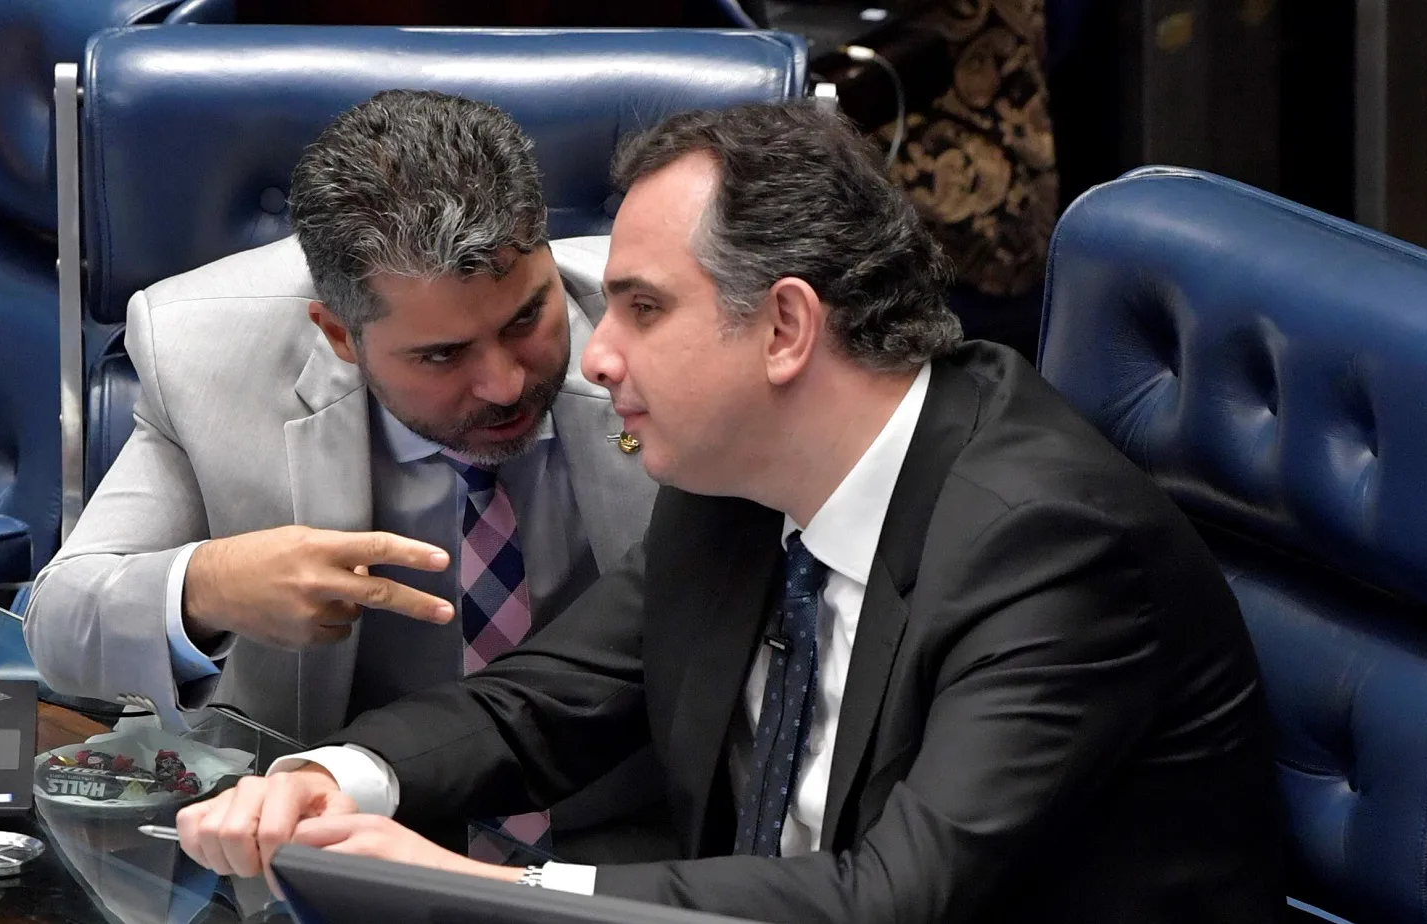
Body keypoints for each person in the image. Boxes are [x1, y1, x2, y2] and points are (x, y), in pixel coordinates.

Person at [175, 100, 1285, 923]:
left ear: (785, 329)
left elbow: (894, 900)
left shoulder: (1050, 545)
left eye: (643, 309)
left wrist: (497, 891)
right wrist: (329, 780)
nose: (595, 356)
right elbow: (538, 706)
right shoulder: (735, 481)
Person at [23, 90, 671, 863]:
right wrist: (207, 587)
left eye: (526, 319)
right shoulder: (204, 354)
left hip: (635, 835)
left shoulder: (666, 323)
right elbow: (60, 625)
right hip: (320, 838)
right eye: (442, 355)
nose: (504, 384)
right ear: (338, 334)